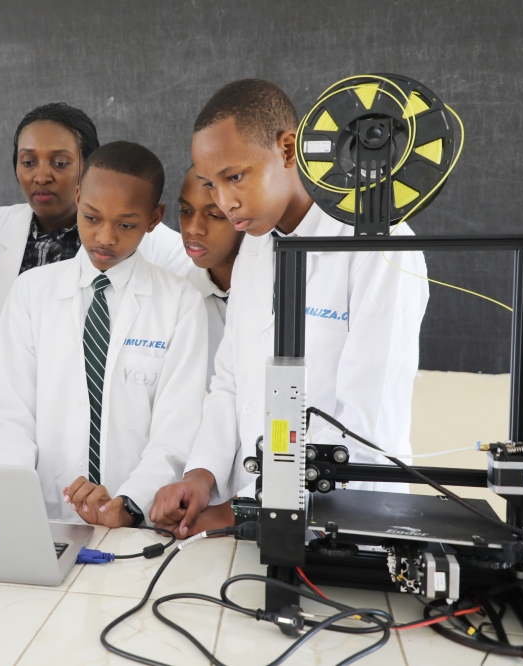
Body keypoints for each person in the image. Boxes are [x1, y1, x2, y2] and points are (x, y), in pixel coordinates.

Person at [150, 79, 429, 535]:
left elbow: (364, 430)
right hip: (250, 514)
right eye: (212, 184)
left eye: (235, 177)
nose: (225, 201)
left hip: (345, 520)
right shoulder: (258, 247)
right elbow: (229, 385)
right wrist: (201, 475)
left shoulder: (379, 248)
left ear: (287, 149)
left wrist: (243, 509)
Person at [0, 141, 207, 526]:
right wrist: (16, 502)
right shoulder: (31, 292)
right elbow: (9, 414)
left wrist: (130, 504)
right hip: (42, 515)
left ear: (154, 218)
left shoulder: (180, 301)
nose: (105, 237)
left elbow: (177, 426)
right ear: (78, 196)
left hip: (137, 522)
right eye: (92, 217)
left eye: (126, 224)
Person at [0, 103, 190, 442]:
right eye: (28, 161)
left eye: (60, 163)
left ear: (88, 169)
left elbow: (203, 279)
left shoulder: (142, 233)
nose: (41, 175)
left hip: (99, 435)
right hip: (5, 429)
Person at [178, 164, 242, 389]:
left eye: (214, 215)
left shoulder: (282, 287)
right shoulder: (178, 297)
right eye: (185, 211)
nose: (193, 229)